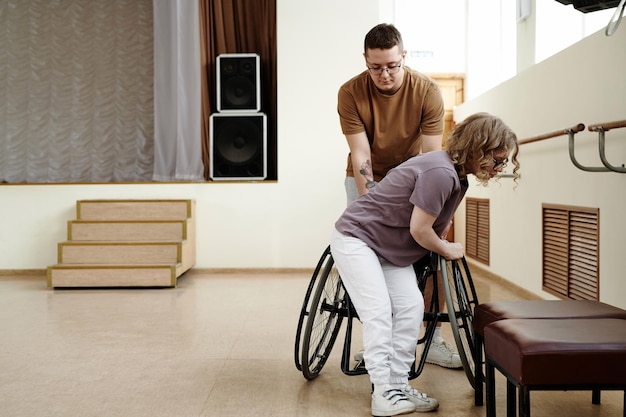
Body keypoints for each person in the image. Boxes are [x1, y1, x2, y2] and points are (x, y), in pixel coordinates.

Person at [330, 112, 519, 416]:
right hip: (359, 238)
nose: (499, 168)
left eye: (503, 162)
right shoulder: (440, 172)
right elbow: (420, 230)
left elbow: (435, 223)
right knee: (378, 311)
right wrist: (446, 248)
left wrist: (441, 243)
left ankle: (399, 383)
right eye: (496, 160)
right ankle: (383, 393)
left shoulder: (457, 177)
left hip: (391, 247)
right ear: (477, 147)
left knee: (411, 307)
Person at [338, 22, 460, 369]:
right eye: (375, 67)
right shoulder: (350, 92)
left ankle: (432, 340)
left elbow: (431, 157)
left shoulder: (427, 91)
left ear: (404, 56)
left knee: (427, 252)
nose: (385, 74)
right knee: (370, 260)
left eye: (392, 65)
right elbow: (361, 154)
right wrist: (373, 206)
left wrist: (430, 218)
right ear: (365, 60)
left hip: (414, 177)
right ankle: (379, 343)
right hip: (367, 178)